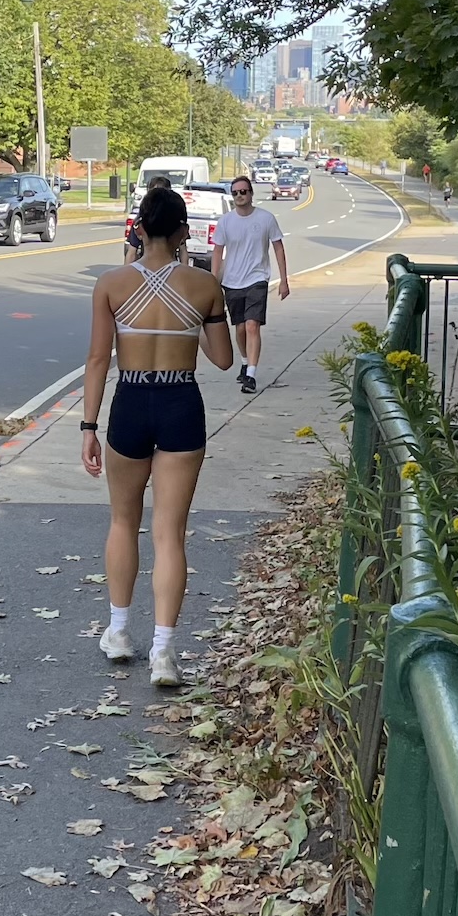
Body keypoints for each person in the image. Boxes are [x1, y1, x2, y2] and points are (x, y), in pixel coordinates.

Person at [81, 184, 236, 689]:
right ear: (183, 232)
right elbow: (223, 359)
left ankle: (120, 633)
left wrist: (89, 425)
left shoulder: (111, 284)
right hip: (180, 402)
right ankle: (165, 653)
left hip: (130, 401)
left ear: (139, 229)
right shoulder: (204, 285)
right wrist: (204, 309)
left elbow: (98, 360)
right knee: (170, 533)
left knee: (123, 522)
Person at [208, 175, 290, 395]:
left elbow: (278, 248)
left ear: (251, 194)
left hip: (257, 278)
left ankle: (251, 375)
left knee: (252, 325)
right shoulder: (226, 221)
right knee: (241, 327)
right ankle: (245, 361)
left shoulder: (266, 219)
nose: (239, 196)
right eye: (235, 193)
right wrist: (214, 281)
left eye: (243, 192)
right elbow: (217, 251)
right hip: (232, 281)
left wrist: (284, 280)